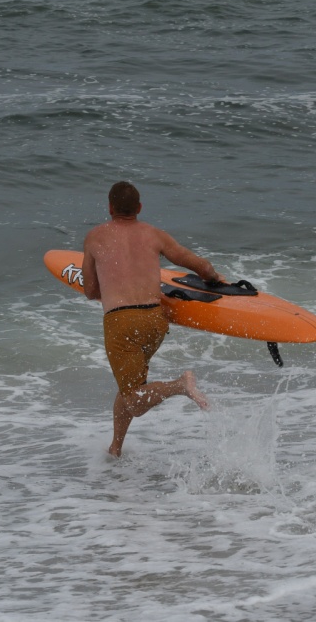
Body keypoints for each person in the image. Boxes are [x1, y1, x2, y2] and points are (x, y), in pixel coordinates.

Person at [82, 181, 221, 457]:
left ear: (109, 208)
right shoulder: (154, 235)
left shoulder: (95, 237)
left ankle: (180, 385)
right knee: (129, 387)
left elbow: (90, 291)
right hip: (155, 321)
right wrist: (214, 279)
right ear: (139, 208)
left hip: (122, 324)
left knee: (135, 399)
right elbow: (202, 266)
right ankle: (116, 448)